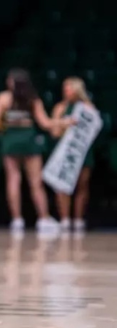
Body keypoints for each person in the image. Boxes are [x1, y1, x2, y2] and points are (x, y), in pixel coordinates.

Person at [0, 68, 63, 235]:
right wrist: (63, 122)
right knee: (36, 182)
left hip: (10, 139)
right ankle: (43, 219)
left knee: (13, 179)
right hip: (29, 139)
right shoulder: (33, 98)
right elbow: (45, 123)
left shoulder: (2, 98)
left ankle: (17, 220)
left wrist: (6, 127)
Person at [49, 77, 95, 233]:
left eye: (69, 88)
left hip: (81, 151)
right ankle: (65, 219)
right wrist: (64, 124)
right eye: (65, 88)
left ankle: (79, 219)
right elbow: (54, 132)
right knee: (62, 186)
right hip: (65, 152)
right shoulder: (60, 108)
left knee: (82, 185)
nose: (66, 91)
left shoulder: (88, 107)